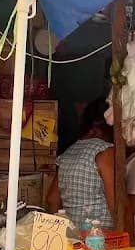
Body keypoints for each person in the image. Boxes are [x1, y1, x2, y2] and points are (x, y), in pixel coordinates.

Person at [46, 97, 115, 231]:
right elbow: (117, 206)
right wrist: (131, 242)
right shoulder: (105, 152)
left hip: (73, 240)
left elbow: (52, 200)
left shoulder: (68, 153)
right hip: (101, 239)